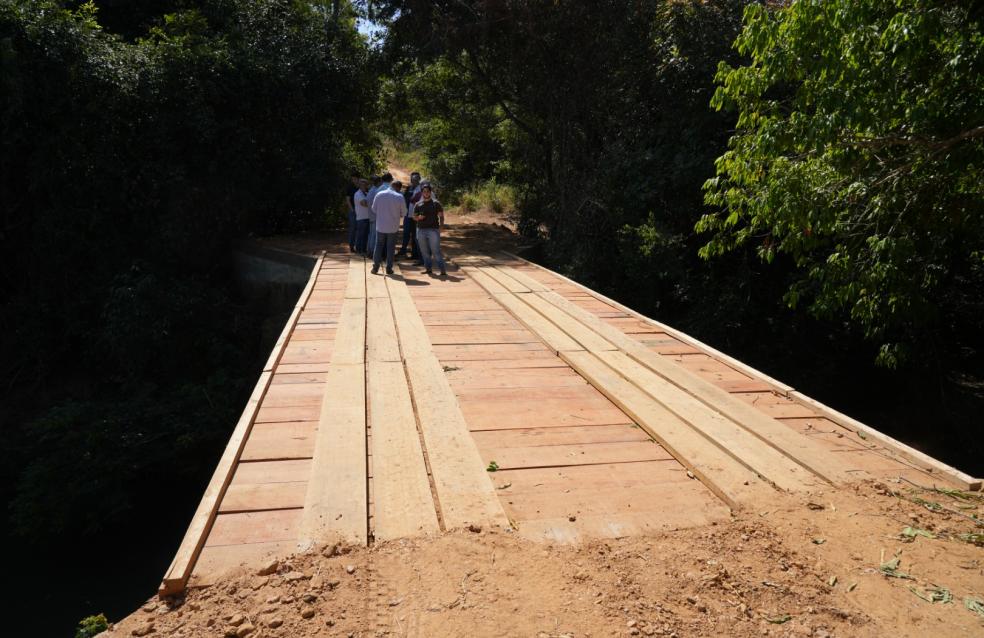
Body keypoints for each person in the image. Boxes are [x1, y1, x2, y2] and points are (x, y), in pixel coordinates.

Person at [370, 180, 405, 275]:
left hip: (380, 226)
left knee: (378, 246)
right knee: (390, 247)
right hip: (393, 227)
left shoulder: (379, 194)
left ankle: (375, 268)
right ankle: (389, 268)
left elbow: (373, 209)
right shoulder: (400, 197)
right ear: (398, 188)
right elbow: (404, 213)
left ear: (391, 185)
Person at [413, 182, 446, 276]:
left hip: (433, 230)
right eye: (424, 191)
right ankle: (428, 269)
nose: (426, 193)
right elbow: (414, 217)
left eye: (428, 191)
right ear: (422, 193)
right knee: (424, 251)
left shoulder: (436, 204)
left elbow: (441, 216)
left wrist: (441, 226)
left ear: (430, 192)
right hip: (421, 230)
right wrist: (418, 217)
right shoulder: (418, 204)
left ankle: (442, 270)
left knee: (436, 250)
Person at [399, 171, 422, 260]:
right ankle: (403, 250)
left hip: (417, 216)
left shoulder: (421, 189)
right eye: (412, 179)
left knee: (415, 235)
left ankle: (415, 254)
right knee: (406, 233)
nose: (414, 181)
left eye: (416, 179)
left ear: (419, 179)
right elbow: (404, 199)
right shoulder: (409, 188)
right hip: (408, 214)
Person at [353, 178, 370, 253]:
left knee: (365, 235)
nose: (365, 186)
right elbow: (364, 203)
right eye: (363, 185)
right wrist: (372, 203)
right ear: (360, 185)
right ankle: (359, 250)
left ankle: (363, 250)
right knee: (361, 235)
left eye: (365, 185)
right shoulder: (358, 194)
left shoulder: (366, 193)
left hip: (367, 217)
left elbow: (367, 203)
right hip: (361, 218)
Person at [345, 173, 359, 252]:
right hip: (353, 210)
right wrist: (352, 210)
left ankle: (358, 245)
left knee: (358, 228)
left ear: (358, 179)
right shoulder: (350, 187)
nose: (353, 180)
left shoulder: (361, 187)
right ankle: (351, 245)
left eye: (355, 179)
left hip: (360, 211)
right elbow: (347, 199)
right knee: (353, 228)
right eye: (352, 179)